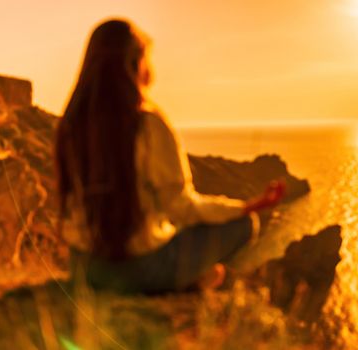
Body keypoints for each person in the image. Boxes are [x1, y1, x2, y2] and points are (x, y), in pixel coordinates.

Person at [55, 19, 285, 294]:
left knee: (170, 235)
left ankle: (187, 278)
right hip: (140, 271)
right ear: (134, 64)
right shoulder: (145, 123)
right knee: (244, 225)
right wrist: (247, 207)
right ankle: (188, 283)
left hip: (86, 268)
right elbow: (181, 207)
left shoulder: (69, 125)